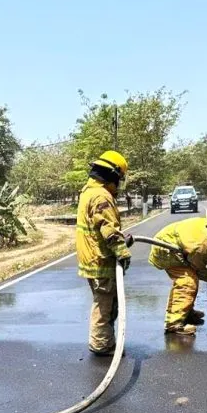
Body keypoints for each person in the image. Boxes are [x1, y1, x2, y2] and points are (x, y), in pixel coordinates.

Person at [76, 150, 132, 356]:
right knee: (104, 304)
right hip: (100, 260)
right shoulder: (101, 196)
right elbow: (107, 228)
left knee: (107, 303)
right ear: (112, 176)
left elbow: (100, 228)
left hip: (92, 257)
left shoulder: (88, 191)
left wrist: (121, 240)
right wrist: (122, 251)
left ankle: (106, 340)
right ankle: (101, 344)